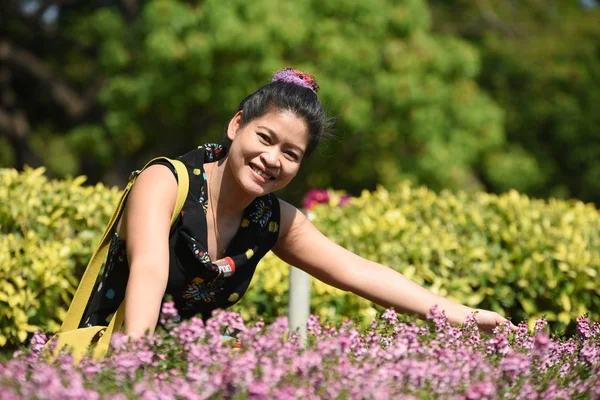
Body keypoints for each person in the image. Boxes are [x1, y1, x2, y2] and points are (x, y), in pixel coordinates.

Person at [81, 68, 514, 338]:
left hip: (187, 378)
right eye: (265, 138)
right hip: (110, 366)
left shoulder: (272, 220)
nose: (272, 159)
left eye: (291, 154)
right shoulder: (166, 181)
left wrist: (465, 316)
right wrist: (133, 371)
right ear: (237, 126)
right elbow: (150, 272)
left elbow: (358, 273)